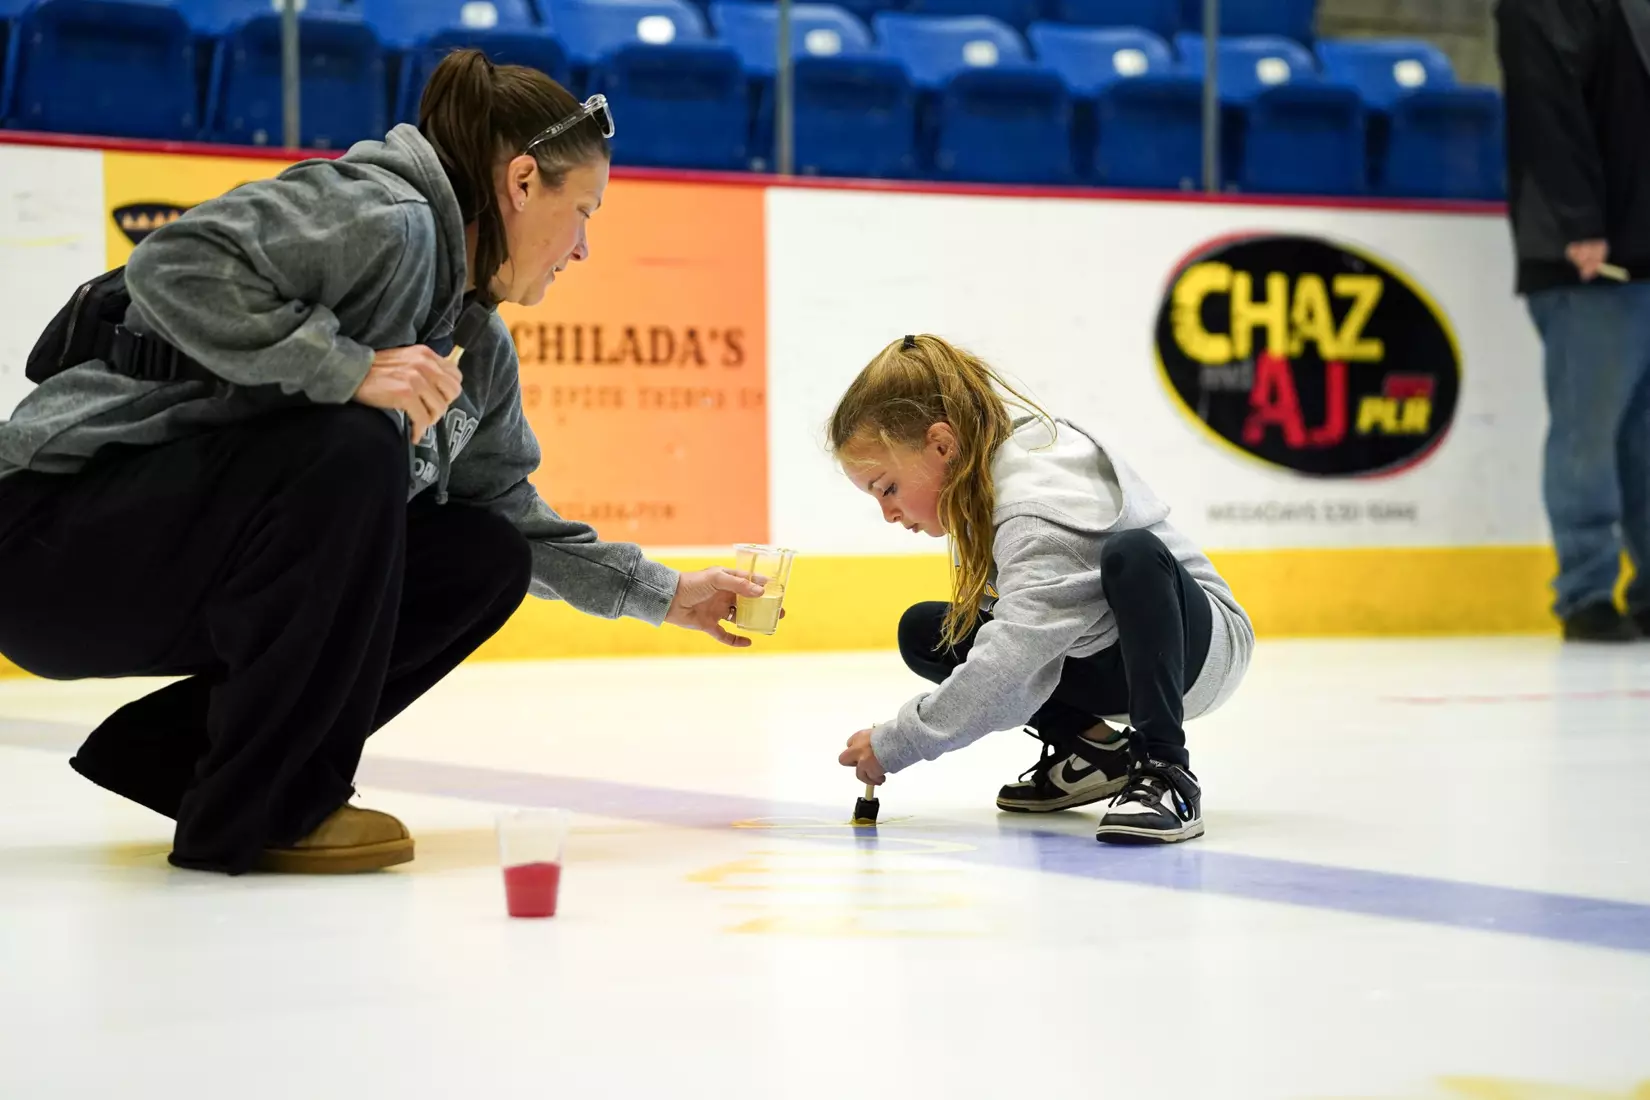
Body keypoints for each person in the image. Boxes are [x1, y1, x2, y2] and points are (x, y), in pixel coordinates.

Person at [0, 51, 767, 876]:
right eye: (583, 210)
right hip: (48, 546)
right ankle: (266, 806)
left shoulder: (476, 342)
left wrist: (666, 594)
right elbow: (172, 264)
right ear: (521, 183)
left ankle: (186, 762)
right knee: (354, 445)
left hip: (164, 569)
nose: (582, 247)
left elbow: (508, 514)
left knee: (483, 557)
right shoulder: (385, 215)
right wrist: (348, 368)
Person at [831, 335, 1253, 844]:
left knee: (1133, 555)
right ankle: (1094, 753)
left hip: (1198, 655)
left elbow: (1011, 663)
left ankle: (1165, 770)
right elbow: (1019, 663)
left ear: (942, 445)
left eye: (888, 488)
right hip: (1108, 655)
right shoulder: (978, 476)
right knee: (929, 630)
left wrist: (898, 741)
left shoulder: (1034, 513)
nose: (888, 513)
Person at [1496, 0, 1650, 641]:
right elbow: (1545, 107)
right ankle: (1585, 592)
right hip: (1589, 259)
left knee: (1642, 438)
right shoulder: (1542, 6)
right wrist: (1578, 221)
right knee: (1588, 432)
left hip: (1637, 247)